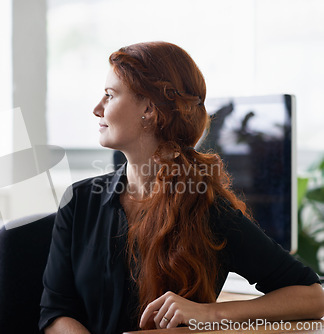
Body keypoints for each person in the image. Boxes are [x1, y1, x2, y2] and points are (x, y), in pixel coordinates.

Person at [39, 41, 324, 334]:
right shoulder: (79, 200)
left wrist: (210, 314)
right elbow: (56, 311)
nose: (97, 109)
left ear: (148, 109)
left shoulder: (205, 206)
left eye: (110, 96)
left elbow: (312, 296)